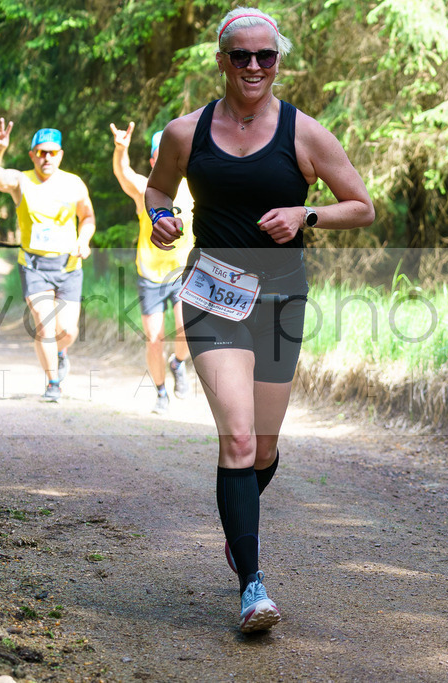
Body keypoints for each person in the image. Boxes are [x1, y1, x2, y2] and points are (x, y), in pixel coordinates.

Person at [145, 7, 374, 632]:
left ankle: (235, 525)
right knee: (239, 440)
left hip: (280, 300)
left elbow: (362, 206)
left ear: (278, 62)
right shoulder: (184, 132)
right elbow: (159, 190)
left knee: (266, 447)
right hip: (212, 296)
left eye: (264, 57)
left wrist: (309, 217)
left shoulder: (305, 134)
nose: (253, 67)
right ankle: (252, 583)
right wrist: (161, 218)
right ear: (220, 60)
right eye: (240, 56)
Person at [0, 123, 96, 403]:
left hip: (69, 268)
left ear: (60, 155)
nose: (47, 158)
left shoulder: (74, 184)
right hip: (34, 266)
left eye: (52, 152)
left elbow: (88, 217)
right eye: (41, 153)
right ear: (32, 155)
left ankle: (59, 353)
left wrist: (84, 239)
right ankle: (52, 382)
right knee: (45, 325)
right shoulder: (21, 181)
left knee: (68, 331)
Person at [110, 123, 195, 414]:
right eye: (161, 155)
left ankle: (178, 363)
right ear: (152, 161)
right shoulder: (145, 189)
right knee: (154, 338)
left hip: (183, 271)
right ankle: (161, 392)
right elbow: (123, 174)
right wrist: (121, 150)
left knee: (188, 328)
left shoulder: (195, 188)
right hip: (150, 275)